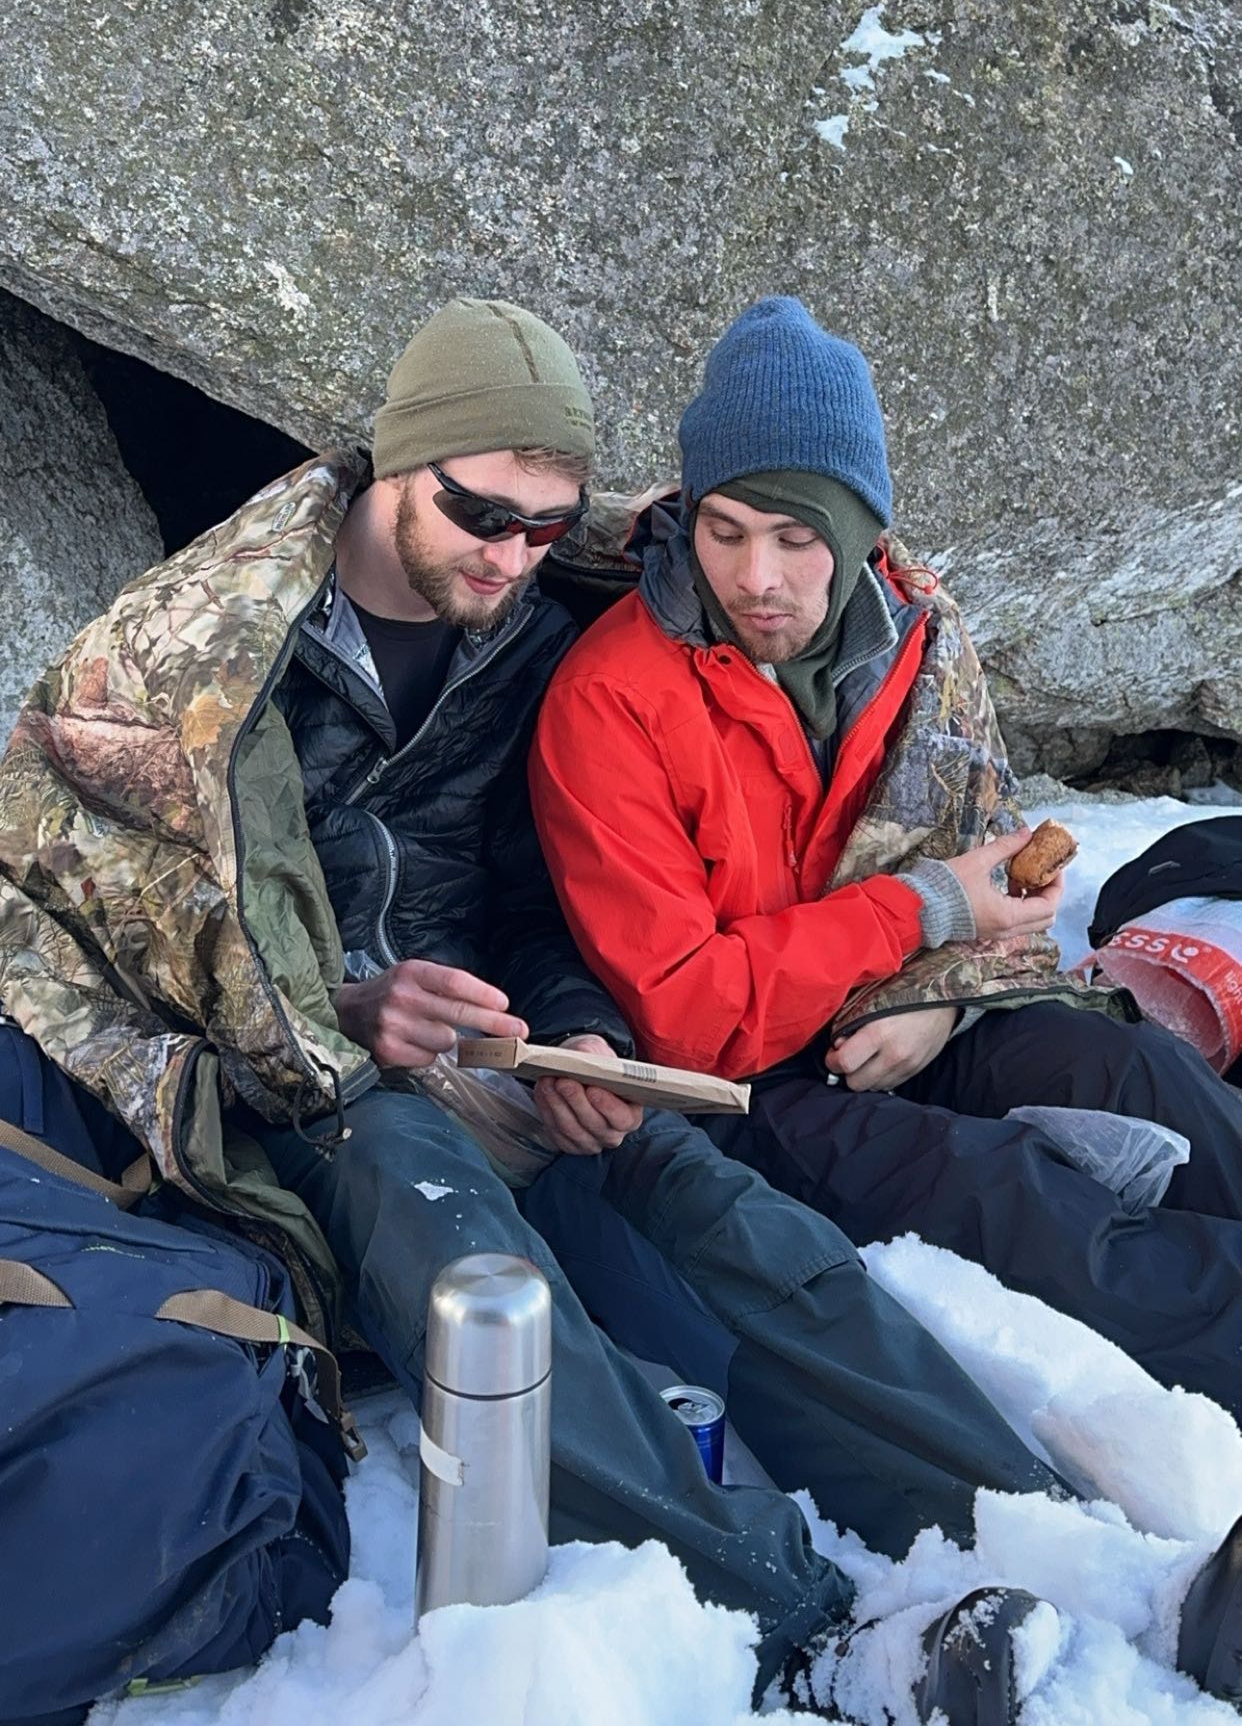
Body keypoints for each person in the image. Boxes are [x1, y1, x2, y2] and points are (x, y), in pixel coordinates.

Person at [0, 295, 1238, 1724]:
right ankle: (797, 1623)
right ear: (395, 462)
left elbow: (533, 895)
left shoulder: (516, 629)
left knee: (725, 1219)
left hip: (499, 1033)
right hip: (303, 1078)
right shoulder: (192, 655)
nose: (512, 556)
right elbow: (103, 915)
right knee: (482, 1283)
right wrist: (343, 1003)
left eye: (545, 526)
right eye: (481, 513)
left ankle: (1061, 1541)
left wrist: (579, 1027)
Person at [530, 293, 1242, 1438]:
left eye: (797, 536)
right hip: (750, 1088)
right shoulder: (612, 698)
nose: (757, 574)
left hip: (907, 1008)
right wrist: (918, 916)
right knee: (1013, 1200)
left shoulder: (917, 639)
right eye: (724, 529)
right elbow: (688, 1019)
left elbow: (998, 876)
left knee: (1141, 1081)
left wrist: (940, 1006)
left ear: (860, 530)